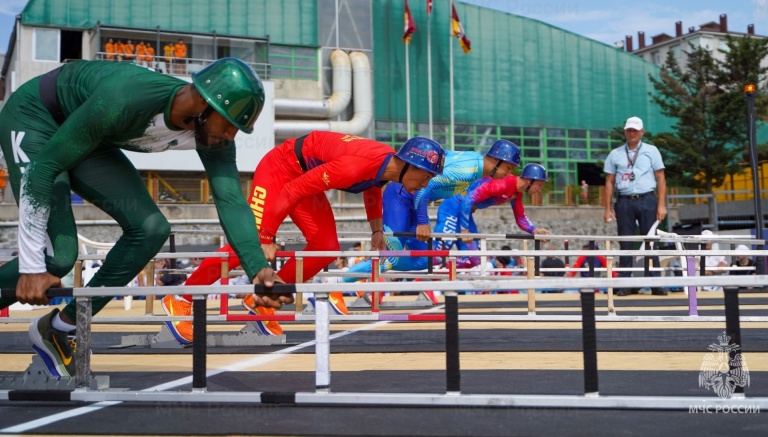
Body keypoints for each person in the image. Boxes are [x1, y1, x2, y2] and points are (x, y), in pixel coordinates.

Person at [0, 57, 289, 378]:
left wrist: (257, 269)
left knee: (150, 229)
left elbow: (231, 200)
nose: (231, 135)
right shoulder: (124, 99)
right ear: (202, 104)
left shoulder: (213, 132)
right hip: (37, 117)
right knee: (57, 258)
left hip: (88, 134)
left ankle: (59, 327)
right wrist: (29, 268)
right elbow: (41, 170)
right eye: (230, 124)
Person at [161, 134, 446, 344]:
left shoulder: (387, 167)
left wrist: (376, 230)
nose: (427, 183)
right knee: (247, 246)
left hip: (302, 177)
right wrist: (265, 236)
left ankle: (261, 300)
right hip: (280, 168)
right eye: (427, 176)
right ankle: (182, 297)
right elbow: (292, 189)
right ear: (410, 164)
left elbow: (373, 188)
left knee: (326, 249)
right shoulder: (354, 166)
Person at [340, 140, 522, 299]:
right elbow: (423, 187)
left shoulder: (475, 165)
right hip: (400, 196)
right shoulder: (467, 170)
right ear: (497, 161)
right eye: (509, 167)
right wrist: (422, 222)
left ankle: (363, 267)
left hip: (414, 202)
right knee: (391, 259)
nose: (509, 173)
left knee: (424, 260)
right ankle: (335, 286)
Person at [432, 162, 551, 268]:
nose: (539, 189)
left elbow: (520, 218)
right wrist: (464, 229)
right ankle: (423, 273)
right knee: (436, 258)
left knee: (473, 260)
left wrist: (534, 230)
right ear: (530, 180)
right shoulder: (503, 184)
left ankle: (440, 272)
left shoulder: (516, 194)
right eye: (539, 185)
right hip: (452, 207)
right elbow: (467, 201)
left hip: (464, 213)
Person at [603, 116, 668, 296]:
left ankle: (655, 282)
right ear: (625, 132)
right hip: (624, 200)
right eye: (628, 130)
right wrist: (607, 208)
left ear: (641, 132)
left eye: (635, 130)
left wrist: (661, 204)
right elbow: (609, 181)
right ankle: (626, 283)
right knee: (625, 242)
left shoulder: (651, 151)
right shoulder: (615, 154)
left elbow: (661, 177)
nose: (631, 133)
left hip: (647, 198)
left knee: (651, 241)